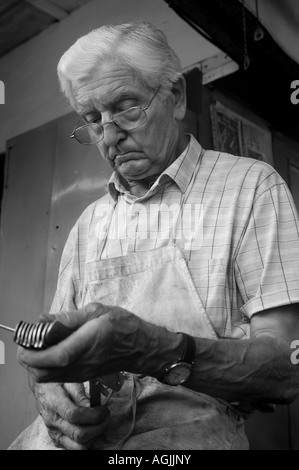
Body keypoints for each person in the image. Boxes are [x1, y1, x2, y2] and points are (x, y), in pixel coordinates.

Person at [9, 21, 299, 451]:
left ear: (176, 97)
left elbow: (287, 370)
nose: (108, 137)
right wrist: (50, 394)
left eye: (126, 108)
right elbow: (55, 345)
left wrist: (154, 350)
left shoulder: (251, 187)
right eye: (92, 119)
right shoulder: (90, 223)